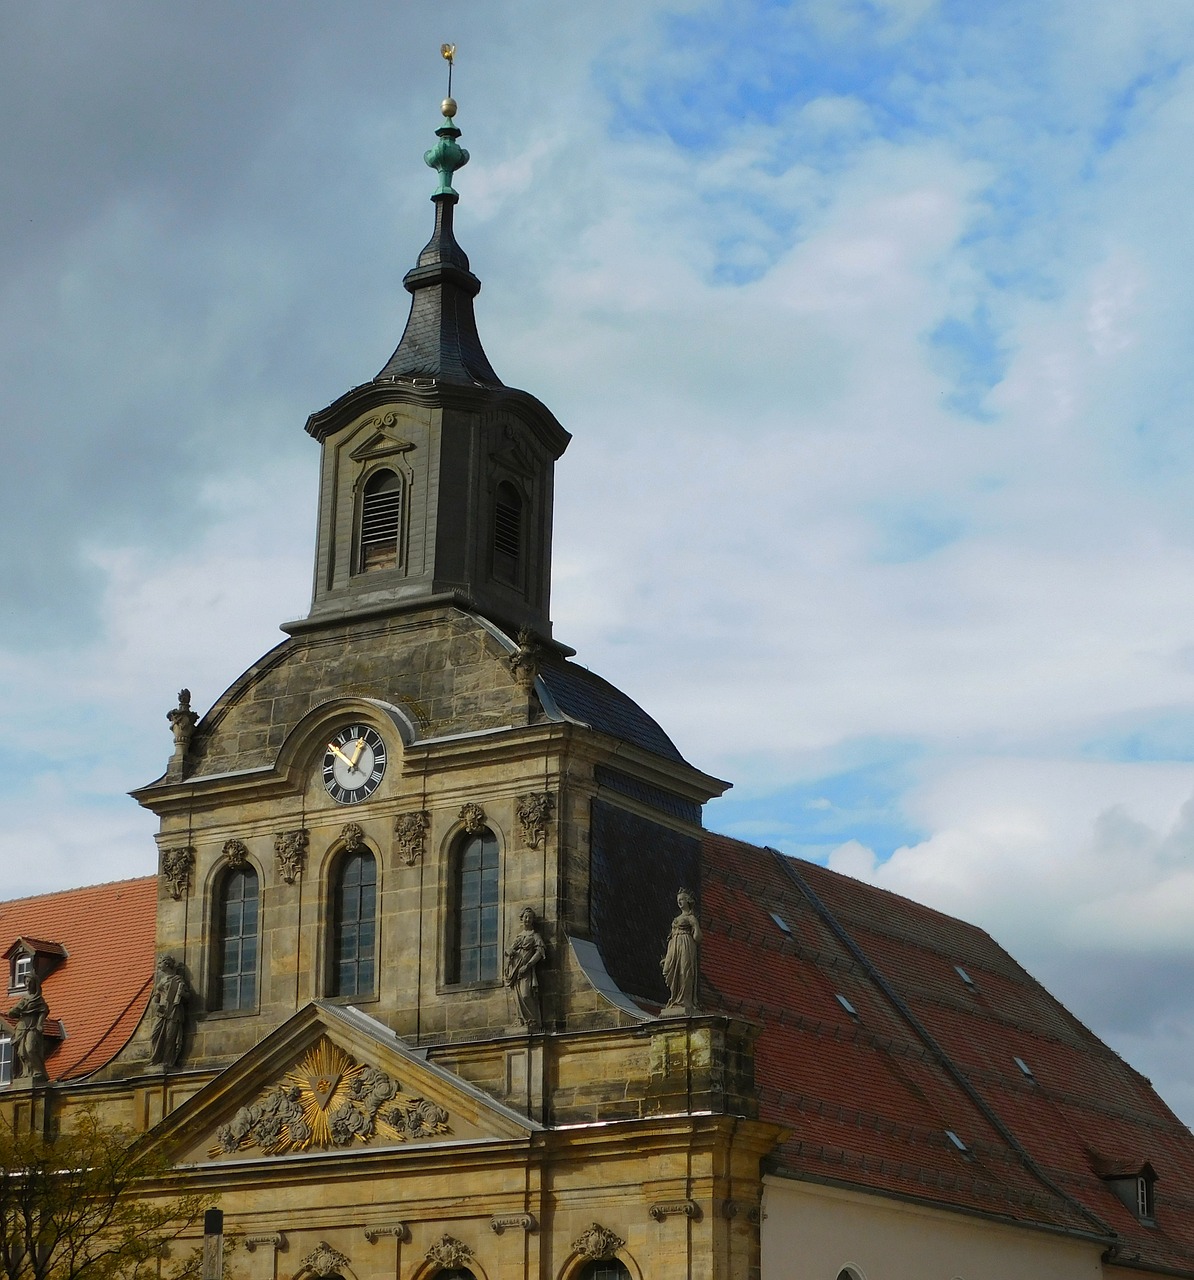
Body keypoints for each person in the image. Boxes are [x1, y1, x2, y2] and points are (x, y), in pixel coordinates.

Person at [503, 907, 547, 1030]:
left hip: (526, 969)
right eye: (525, 917)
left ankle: (532, 1020)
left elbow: (540, 952)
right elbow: (509, 951)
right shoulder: (518, 936)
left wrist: (528, 966)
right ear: (522, 919)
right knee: (517, 996)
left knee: (526, 995)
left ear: (533, 920)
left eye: (530, 917)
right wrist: (509, 952)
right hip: (515, 969)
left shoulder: (535, 935)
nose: (527, 919)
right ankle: (521, 1019)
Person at [661, 888, 702, 1016]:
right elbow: (671, 936)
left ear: (688, 900)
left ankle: (685, 1000)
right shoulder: (677, 918)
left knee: (685, 971)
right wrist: (668, 954)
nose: (679, 901)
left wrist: (695, 927)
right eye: (678, 899)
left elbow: (698, 937)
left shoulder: (691, 918)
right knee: (668, 969)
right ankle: (674, 998)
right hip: (674, 944)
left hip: (686, 943)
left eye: (682, 899)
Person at [149, 955, 190, 1068]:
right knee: (154, 1035)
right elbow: (155, 996)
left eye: (160, 963)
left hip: (174, 1011)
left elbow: (187, 995)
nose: (158, 965)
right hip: (162, 1011)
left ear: (167, 964)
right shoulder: (161, 980)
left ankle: (167, 1062)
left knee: (170, 1038)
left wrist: (182, 994)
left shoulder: (178, 979)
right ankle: (156, 1059)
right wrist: (156, 1005)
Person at [7, 972, 49, 1081]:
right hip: (22, 1025)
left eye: (30, 982)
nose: (28, 984)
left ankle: (38, 1071)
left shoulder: (38, 999)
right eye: (26, 982)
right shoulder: (24, 999)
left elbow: (43, 1011)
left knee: (30, 1048)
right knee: (21, 1052)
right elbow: (12, 1012)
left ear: (35, 984)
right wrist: (14, 1011)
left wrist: (40, 1024)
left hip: (32, 1026)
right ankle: (27, 1072)